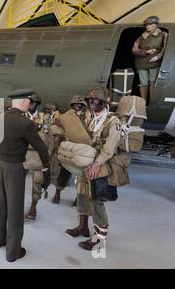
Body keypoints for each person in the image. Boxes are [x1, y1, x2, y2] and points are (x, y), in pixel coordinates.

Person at [0, 89, 50, 262]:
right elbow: (41, 147)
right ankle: (13, 252)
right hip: (15, 168)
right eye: (28, 101)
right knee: (15, 210)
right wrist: (46, 165)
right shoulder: (25, 123)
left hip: (0, 165)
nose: (29, 104)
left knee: (0, 204)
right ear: (24, 103)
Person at [65, 88, 121, 251]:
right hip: (84, 163)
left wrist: (97, 164)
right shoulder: (88, 117)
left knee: (97, 200)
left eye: (94, 100)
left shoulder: (113, 122)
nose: (90, 103)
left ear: (104, 102)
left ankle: (99, 238)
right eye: (89, 100)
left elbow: (110, 148)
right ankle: (83, 227)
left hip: (100, 165)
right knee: (81, 194)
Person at [51, 95, 88, 205]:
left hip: (82, 149)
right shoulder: (66, 116)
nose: (77, 105)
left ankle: (78, 197)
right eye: (75, 104)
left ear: (83, 105)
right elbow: (56, 127)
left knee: (81, 176)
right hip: (69, 148)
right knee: (64, 172)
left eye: (79, 104)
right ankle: (57, 193)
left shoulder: (87, 117)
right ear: (71, 105)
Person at [23, 94, 53, 220]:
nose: (29, 104)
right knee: (17, 182)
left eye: (32, 102)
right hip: (23, 155)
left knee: (38, 183)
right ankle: (16, 205)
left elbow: (50, 140)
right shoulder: (21, 117)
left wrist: (48, 157)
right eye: (28, 102)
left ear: (37, 104)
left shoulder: (44, 119)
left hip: (39, 156)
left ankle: (33, 206)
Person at [132, 16, 168, 102]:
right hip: (142, 63)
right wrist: (145, 52)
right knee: (143, 84)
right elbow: (134, 49)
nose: (147, 26)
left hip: (155, 63)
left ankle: (152, 103)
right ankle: (143, 103)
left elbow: (165, 48)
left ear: (156, 25)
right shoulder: (142, 36)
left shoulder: (163, 34)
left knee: (153, 83)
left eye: (150, 24)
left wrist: (158, 56)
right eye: (146, 24)